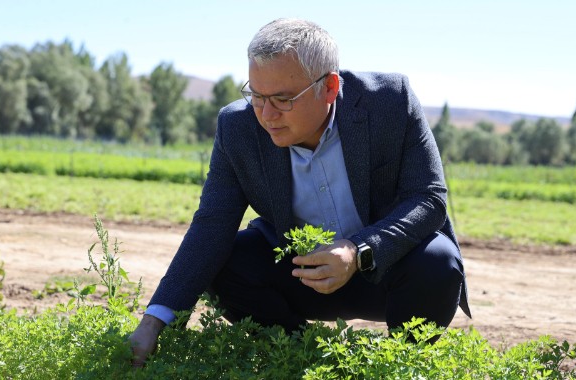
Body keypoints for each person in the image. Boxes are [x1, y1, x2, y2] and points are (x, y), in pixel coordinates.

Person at [129, 18, 471, 367]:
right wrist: (155, 321)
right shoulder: (238, 126)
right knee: (226, 263)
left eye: (282, 98)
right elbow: (212, 225)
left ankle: (402, 366)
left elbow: (428, 198)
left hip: (384, 273)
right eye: (256, 97)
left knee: (437, 262)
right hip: (299, 277)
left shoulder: (390, 101)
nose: (266, 114)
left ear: (330, 87)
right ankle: (305, 361)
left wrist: (358, 251)